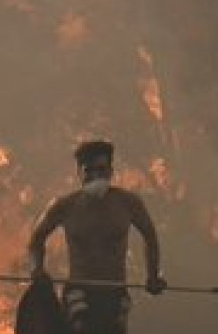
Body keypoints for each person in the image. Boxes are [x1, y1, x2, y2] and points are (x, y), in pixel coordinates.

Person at [28, 140, 165, 334]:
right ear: (79, 173)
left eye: (101, 170)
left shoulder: (127, 203)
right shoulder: (65, 206)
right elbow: (37, 238)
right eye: (88, 171)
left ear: (110, 171)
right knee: (80, 327)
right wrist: (37, 269)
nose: (95, 176)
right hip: (79, 291)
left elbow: (150, 237)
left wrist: (152, 275)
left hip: (114, 292)